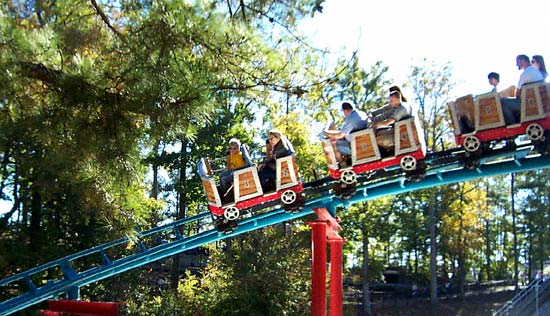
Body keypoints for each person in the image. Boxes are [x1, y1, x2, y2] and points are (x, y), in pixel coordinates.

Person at [501, 54, 544, 124]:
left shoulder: (525, 74)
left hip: (526, 104)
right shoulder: (536, 71)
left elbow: (517, 94)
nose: (516, 64)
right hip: (537, 102)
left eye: (518, 62)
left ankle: (512, 123)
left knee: (503, 101)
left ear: (523, 61)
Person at [323, 101, 367, 166]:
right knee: (339, 140)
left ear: (345, 110)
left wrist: (326, 133)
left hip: (356, 146)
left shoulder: (351, 118)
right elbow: (343, 132)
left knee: (333, 144)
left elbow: (339, 135)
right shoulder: (360, 113)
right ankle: (347, 160)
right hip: (363, 141)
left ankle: (343, 165)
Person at [371, 86, 413, 151]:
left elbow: (388, 122)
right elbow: (384, 113)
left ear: (398, 99)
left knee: (376, 140)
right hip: (399, 130)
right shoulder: (400, 106)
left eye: (391, 100)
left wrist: (375, 125)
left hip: (403, 135)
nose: (390, 102)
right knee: (379, 133)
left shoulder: (401, 109)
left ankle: (393, 150)